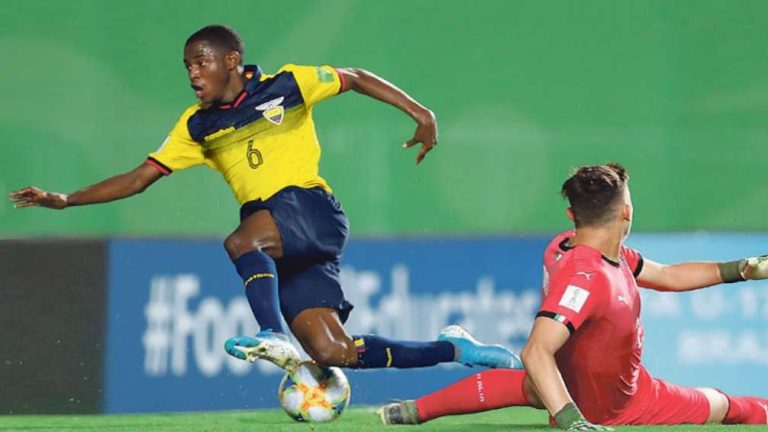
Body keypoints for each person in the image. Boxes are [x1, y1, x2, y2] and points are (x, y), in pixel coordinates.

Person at [9, 25, 518, 373]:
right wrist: (66, 199)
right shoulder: (196, 125)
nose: (193, 74)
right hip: (281, 238)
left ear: (231, 60)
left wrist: (421, 112)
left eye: (201, 62)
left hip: (309, 209)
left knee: (240, 241)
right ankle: (456, 349)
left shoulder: (288, 84)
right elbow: (141, 177)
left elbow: (356, 78)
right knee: (333, 352)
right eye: (187, 66)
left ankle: (271, 333)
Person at [378, 163, 768, 429]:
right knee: (731, 407)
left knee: (530, 386)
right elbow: (536, 351)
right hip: (620, 405)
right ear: (626, 212)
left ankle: (412, 410)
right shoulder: (587, 278)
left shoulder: (571, 245)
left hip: (578, 383)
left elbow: (666, 275)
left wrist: (740, 269)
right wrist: (573, 422)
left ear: (572, 214)